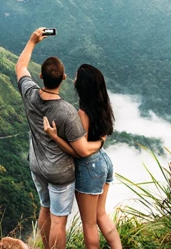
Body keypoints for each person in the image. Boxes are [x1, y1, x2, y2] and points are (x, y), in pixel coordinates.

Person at [15, 27, 104, 249]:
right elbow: (83, 150)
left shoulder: (30, 94)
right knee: (58, 220)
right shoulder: (67, 112)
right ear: (64, 78)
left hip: (37, 166)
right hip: (59, 173)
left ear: (41, 76)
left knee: (45, 209)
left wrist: (32, 41)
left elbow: (20, 66)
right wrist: (101, 142)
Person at [43, 64, 122, 249]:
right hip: (104, 161)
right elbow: (99, 139)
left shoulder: (83, 113)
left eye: (77, 77)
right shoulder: (103, 106)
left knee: (89, 223)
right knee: (100, 214)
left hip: (90, 167)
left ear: (83, 85)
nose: (74, 78)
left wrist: (55, 137)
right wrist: (100, 143)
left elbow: (81, 150)